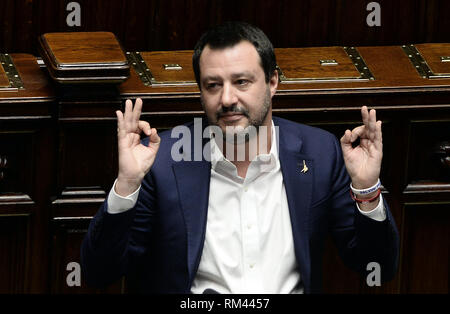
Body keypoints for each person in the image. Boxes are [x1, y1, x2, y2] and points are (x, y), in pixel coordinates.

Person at [81, 21, 399, 294]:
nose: (228, 99)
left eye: (241, 82)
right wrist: (126, 185)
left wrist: (368, 189)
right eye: (213, 85)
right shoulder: (163, 161)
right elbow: (99, 274)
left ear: (272, 82)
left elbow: (378, 268)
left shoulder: (319, 152)